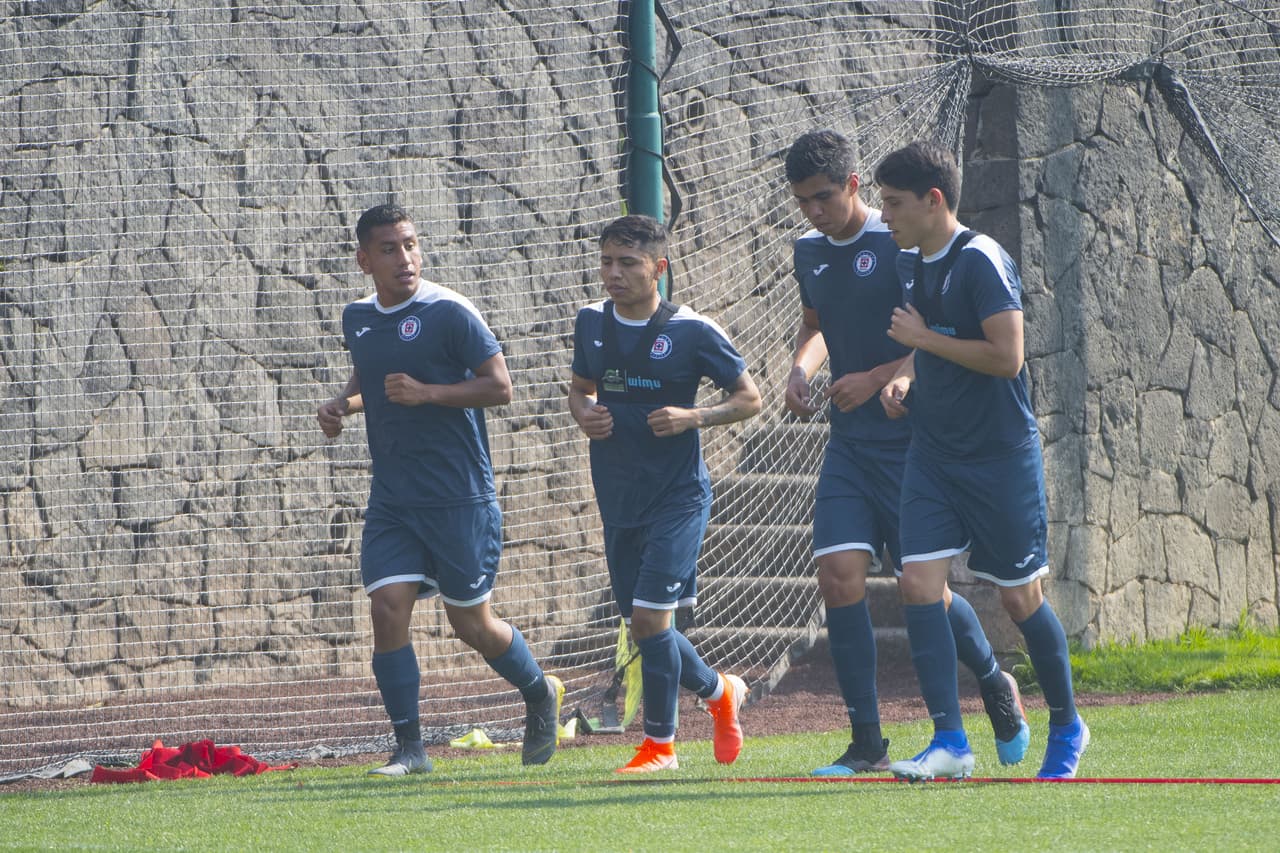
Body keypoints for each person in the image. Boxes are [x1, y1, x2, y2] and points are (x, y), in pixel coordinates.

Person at [783, 129, 1029, 777]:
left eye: (824, 196)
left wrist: (885, 375)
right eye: (802, 200)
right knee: (837, 575)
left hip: (910, 444)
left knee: (927, 591)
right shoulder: (808, 250)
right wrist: (800, 369)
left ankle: (991, 675)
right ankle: (867, 741)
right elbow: (815, 325)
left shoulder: (899, 242)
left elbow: (937, 333)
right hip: (849, 446)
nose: (814, 210)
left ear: (856, 185)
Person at [317, 203, 563, 776]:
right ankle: (410, 750)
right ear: (363, 259)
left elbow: (500, 388)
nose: (404, 258)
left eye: (410, 244)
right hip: (395, 498)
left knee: (471, 625)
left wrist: (428, 393)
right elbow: (372, 375)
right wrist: (342, 405)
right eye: (388, 248)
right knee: (387, 607)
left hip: (459, 496)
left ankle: (537, 692)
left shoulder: (449, 311)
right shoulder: (357, 317)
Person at [874, 141, 1089, 780]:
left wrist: (921, 341)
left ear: (933, 201)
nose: (885, 215)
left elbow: (1006, 356)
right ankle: (950, 744)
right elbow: (933, 339)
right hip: (934, 454)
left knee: (1021, 600)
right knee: (918, 585)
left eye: (893, 203)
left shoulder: (982, 260)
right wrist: (909, 374)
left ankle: (1068, 723)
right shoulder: (913, 261)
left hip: (998, 458)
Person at [567, 214, 762, 773]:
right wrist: (584, 414)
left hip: (678, 497)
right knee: (645, 625)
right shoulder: (590, 322)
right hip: (618, 497)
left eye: (627, 263)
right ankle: (721, 692)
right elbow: (579, 391)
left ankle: (660, 747)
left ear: (660, 268)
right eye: (607, 261)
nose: (613, 273)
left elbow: (750, 399)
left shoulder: (694, 330)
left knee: (652, 622)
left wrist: (693, 416)